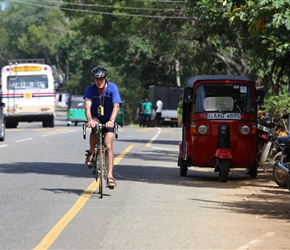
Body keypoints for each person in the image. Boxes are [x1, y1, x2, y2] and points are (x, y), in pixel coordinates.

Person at [83, 66, 121, 188]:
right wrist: (90, 120)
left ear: (105, 78)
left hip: (109, 120)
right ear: (93, 80)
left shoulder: (112, 88)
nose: (99, 81)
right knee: (95, 131)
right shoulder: (90, 89)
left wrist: (112, 120)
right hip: (96, 118)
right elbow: (87, 107)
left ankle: (110, 176)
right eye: (96, 79)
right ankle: (91, 152)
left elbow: (116, 106)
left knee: (108, 145)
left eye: (101, 79)